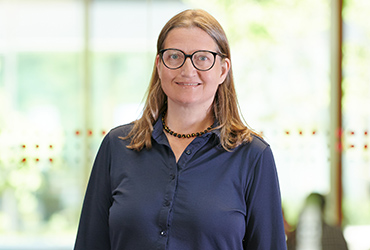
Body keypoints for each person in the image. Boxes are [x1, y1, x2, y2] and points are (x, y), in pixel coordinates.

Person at [74, 9, 286, 250]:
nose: (187, 70)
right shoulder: (117, 145)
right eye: (174, 56)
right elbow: (89, 243)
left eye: (203, 58)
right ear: (160, 65)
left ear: (223, 69)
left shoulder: (253, 156)